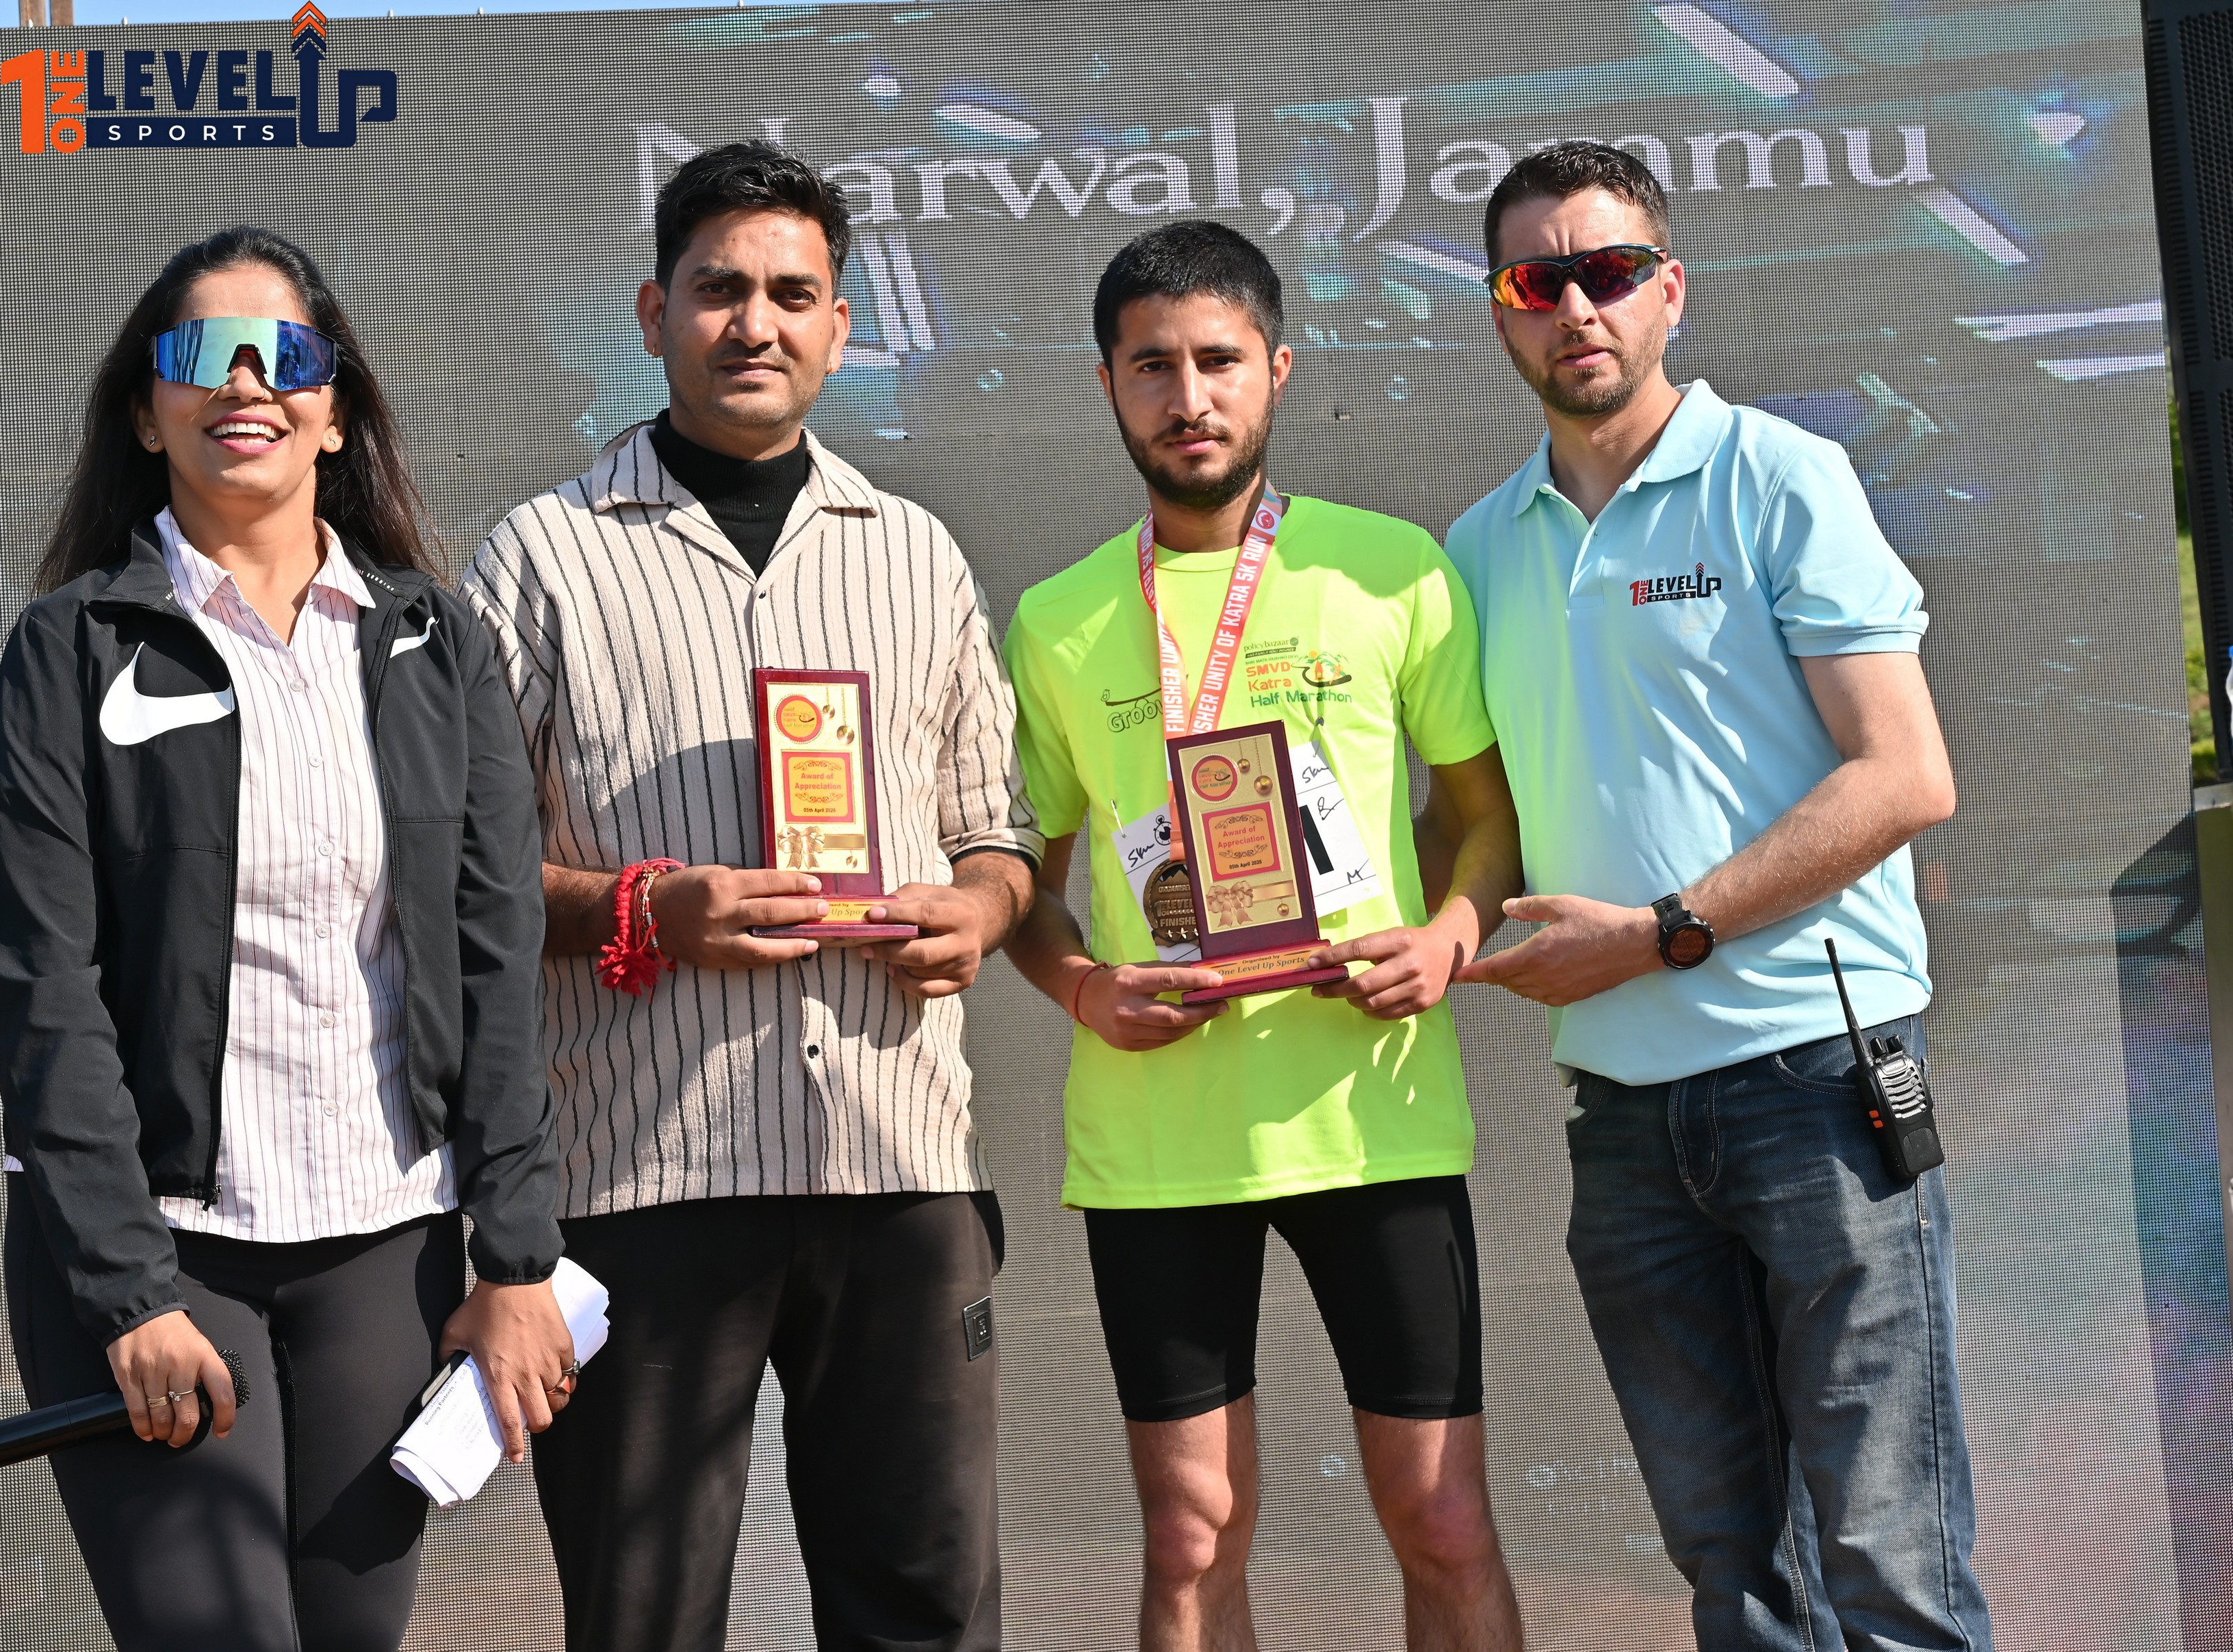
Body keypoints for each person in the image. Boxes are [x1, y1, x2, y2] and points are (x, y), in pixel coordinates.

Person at [460, 142, 1040, 1652]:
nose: (755, 322)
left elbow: (994, 830)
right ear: (654, 312)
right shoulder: (541, 556)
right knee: (644, 1620)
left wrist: (978, 911)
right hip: (643, 1173)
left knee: (924, 1610)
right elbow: (460, 874)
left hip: (897, 1163)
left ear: (841, 326)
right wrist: (644, 912)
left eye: (792, 292)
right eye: (719, 288)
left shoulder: (913, 553)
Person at [0, 225, 574, 1652]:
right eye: (202, 354)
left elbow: (495, 958)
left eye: (286, 355)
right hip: (159, 1252)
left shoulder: (437, 641)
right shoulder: (70, 649)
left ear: (336, 408)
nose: (246, 383)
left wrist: (517, 1257)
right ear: (147, 410)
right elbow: (43, 989)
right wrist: (127, 1292)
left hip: (385, 1242)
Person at [1441, 142, 1993, 1649]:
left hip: (1818, 1086)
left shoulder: (1779, 477)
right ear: (1500, 311)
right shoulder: (1477, 548)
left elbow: (1903, 776)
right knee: (1733, 1580)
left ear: (1668, 290)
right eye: (1536, 279)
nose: (1577, 306)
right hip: (1622, 1122)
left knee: (1890, 1567)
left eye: (1610, 271)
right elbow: (1477, 822)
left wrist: (1659, 933)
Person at [1001, 220, 1529, 1652]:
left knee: (1443, 1521)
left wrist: (1449, 936)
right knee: (1189, 1535)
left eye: (1219, 360)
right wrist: (1082, 988)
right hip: (1158, 1136)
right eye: (1152, 366)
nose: (1190, 397)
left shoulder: (1393, 570)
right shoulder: (1055, 620)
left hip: (1374, 1120)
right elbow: (1019, 885)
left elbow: (1484, 819)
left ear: (1277, 370)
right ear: (1108, 385)